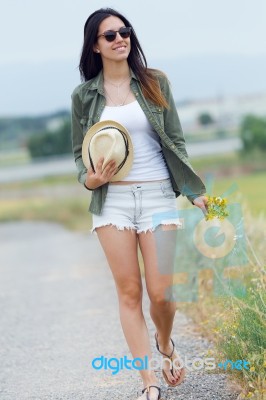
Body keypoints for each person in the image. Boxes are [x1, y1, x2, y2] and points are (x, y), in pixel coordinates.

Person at [71, 7, 208, 400]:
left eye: (125, 31)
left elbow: (176, 141)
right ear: (95, 46)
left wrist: (194, 190)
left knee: (162, 293)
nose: (120, 39)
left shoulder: (155, 82)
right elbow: (80, 155)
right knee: (129, 292)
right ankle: (148, 383)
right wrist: (90, 179)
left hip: (159, 196)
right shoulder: (84, 96)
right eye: (110, 35)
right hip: (111, 200)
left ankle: (166, 344)